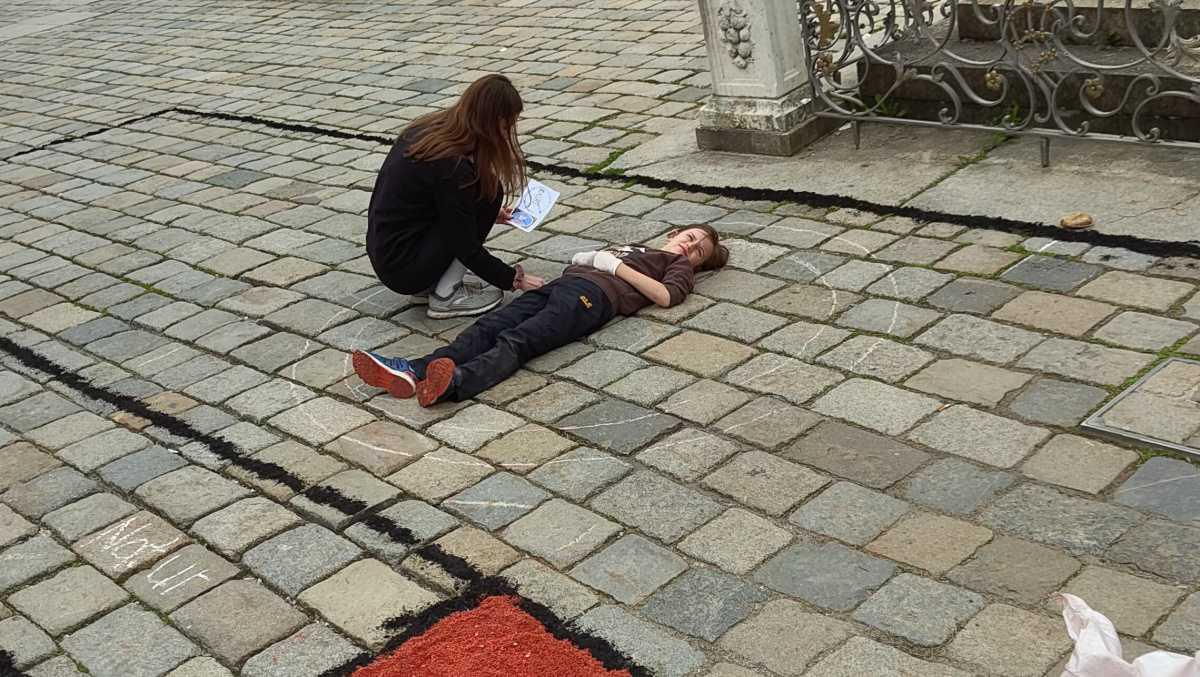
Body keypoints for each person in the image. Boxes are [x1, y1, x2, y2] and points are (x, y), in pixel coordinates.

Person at [352, 225, 729, 407]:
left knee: (521, 339)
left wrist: (614, 267)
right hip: (561, 285)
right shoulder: (641, 245)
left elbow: (666, 296)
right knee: (488, 326)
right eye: (691, 237)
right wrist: (597, 260)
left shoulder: (674, 263)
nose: (690, 246)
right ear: (675, 231)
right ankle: (413, 368)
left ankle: (455, 382)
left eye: (699, 251)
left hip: (593, 298)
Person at [366, 74, 544, 319]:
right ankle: (445, 296)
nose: (507, 134)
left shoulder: (429, 130)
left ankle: (431, 283)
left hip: (389, 251)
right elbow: (464, 244)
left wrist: (486, 214)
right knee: (490, 194)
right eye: (506, 126)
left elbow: (428, 204)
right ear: (492, 122)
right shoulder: (452, 167)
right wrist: (512, 279)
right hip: (403, 267)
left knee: (487, 195)